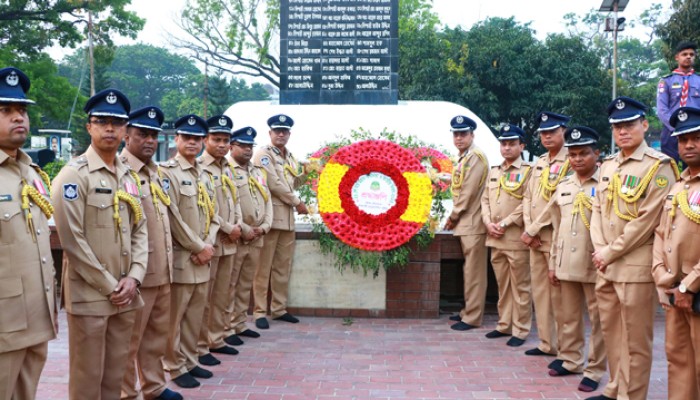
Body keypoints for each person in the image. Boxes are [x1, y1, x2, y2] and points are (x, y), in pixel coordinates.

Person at [52, 88, 148, 399]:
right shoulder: (73, 175)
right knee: (87, 377)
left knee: (115, 374)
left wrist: (134, 277)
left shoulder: (128, 176)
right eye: (102, 121)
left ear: (125, 130)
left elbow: (140, 228)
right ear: (89, 126)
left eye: (117, 123)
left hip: (125, 292)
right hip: (91, 294)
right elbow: (73, 241)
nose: (110, 128)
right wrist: (111, 285)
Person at [588, 96, 678, 400]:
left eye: (629, 125)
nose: (623, 131)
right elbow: (597, 211)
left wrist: (608, 252)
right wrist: (601, 250)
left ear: (644, 124)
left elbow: (646, 222)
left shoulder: (659, 166)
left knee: (636, 341)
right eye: (617, 127)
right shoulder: (608, 165)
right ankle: (615, 388)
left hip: (635, 266)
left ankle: (632, 395)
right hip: (606, 265)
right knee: (612, 334)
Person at [531, 126, 607, 393]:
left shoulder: (607, 183)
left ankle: (595, 369)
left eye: (583, 153)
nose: (577, 159)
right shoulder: (564, 185)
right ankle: (571, 359)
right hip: (564, 261)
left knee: (599, 320)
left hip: (594, 261)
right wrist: (552, 263)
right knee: (567, 316)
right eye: (573, 154)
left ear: (597, 154)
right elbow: (556, 226)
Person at [0, 67, 57, 400]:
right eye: (6, 111)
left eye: (21, 110)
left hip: (36, 314)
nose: (18, 117)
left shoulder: (30, 171)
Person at [119, 106, 182, 400]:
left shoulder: (154, 173)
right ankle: (126, 393)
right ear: (126, 135)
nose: (149, 140)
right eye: (142, 133)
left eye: (153, 135)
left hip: (162, 267)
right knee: (129, 340)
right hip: (137, 272)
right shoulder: (120, 172)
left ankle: (154, 387)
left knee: (155, 337)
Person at [161, 114, 220, 389]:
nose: (192, 143)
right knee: (176, 316)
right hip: (183, 257)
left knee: (195, 313)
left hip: (203, 256)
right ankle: (173, 365)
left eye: (197, 139)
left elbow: (214, 214)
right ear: (177, 139)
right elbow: (172, 217)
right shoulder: (167, 173)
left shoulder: (205, 174)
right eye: (187, 138)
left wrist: (207, 245)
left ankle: (188, 359)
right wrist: (198, 246)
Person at [652, 106, 700, 400]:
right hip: (674, 289)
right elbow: (661, 233)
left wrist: (688, 286)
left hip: (694, 291)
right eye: (683, 140)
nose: (689, 145)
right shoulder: (679, 185)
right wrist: (660, 275)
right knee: (678, 359)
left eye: (697, 138)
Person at [521, 111, 570, 359]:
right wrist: (530, 227)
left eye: (552, 131)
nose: (547, 136)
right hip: (535, 238)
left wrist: (533, 229)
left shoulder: (572, 160)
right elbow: (528, 196)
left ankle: (564, 347)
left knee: (559, 295)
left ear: (563, 131)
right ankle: (546, 343)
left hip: (555, 236)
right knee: (539, 292)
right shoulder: (540, 161)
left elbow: (558, 200)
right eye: (543, 133)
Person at [252, 114, 308, 329]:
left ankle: (278, 309)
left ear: (289, 134)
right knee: (262, 268)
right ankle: (259, 312)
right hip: (269, 218)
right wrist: (297, 202)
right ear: (270, 133)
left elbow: (292, 183)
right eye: (277, 131)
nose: (281, 134)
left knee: (282, 267)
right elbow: (274, 184)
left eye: (284, 131)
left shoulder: (290, 157)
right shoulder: (263, 155)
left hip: (287, 220)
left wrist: (308, 174)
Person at [480, 124, 533, 347]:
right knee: (503, 285)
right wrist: (487, 222)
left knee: (520, 286)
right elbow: (484, 200)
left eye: (512, 143)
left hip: (514, 238)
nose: (507, 147)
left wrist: (504, 222)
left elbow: (527, 204)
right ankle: (504, 324)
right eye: (504, 143)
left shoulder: (529, 171)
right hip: (495, 237)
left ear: (522, 145)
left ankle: (520, 330)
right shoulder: (494, 170)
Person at [196, 115, 242, 367]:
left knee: (222, 293)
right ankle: (201, 346)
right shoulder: (199, 167)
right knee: (205, 297)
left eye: (226, 140)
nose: (222, 144)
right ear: (206, 140)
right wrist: (227, 227)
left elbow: (234, 201)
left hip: (229, 240)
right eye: (217, 139)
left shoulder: (228, 167)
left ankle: (216, 337)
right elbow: (208, 208)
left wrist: (236, 226)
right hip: (211, 239)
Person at [225, 126, 272, 342]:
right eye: (242, 145)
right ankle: (225, 328)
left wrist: (265, 227)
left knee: (245, 284)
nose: (247, 150)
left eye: (249, 146)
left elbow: (267, 200)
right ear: (231, 146)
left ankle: (239, 323)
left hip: (257, 237)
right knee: (229, 284)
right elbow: (224, 205)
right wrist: (244, 229)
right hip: (237, 236)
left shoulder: (256, 171)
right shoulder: (226, 170)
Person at [443, 115, 489, 331]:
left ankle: (472, 317)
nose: (459, 138)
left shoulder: (476, 157)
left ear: (472, 135)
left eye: (463, 134)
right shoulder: (464, 157)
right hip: (467, 222)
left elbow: (468, 193)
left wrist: (453, 216)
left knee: (474, 272)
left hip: (473, 221)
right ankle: (467, 311)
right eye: (456, 134)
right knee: (468, 270)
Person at [657, 41, 700, 163]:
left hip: (696, 133)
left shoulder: (699, 80)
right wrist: (677, 127)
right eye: (684, 54)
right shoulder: (666, 81)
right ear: (677, 57)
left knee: (696, 168)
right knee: (670, 167)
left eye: (691, 54)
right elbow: (662, 109)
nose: (688, 57)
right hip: (671, 131)